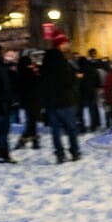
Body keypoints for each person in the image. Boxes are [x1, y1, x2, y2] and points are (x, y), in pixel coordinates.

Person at [39, 31, 81, 164]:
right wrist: (76, 77)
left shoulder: (46, 61)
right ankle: (74, 152)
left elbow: (43, 81)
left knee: (55, 130)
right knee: (71, 128)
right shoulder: (62, 61)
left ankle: (60, 154)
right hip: (65, 101)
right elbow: (67, 80)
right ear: (60, 44)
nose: (67, 44)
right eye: (65, 42)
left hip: (51, 102)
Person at [15, 49, 43, 150]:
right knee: (32, 120)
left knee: (32, 120)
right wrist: (36, 72)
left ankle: (33, 141)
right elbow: (36, 81)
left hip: (27, 99)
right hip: (33, 98)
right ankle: (25, 139)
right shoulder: (28, 70)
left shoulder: (21, 70)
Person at [77, 48, 102, 132]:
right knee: (93, 110)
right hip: (92, 93)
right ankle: (93, 126)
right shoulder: (93, 69)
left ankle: (82, 127)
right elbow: (98, 81)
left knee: (80, 112)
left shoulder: (78, 71)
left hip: (81, 94)